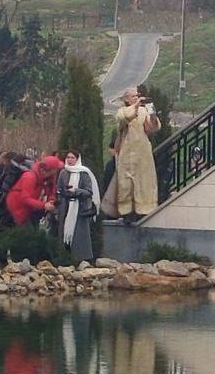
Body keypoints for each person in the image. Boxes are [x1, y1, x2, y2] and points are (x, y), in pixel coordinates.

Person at [104, 86, 160, 222]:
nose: (137, 97)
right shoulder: (122, 111)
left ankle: (144, 210)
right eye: (133, 96)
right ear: (127, 99)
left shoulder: (143, 111)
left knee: (144, 181)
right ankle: (127, 212)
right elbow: (125, 117)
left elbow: (153, 128)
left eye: (137, 95)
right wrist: (136, 105)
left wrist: (152, 113)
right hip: (127, 153)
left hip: (143, 153)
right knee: (126, 183)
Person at [57, 150, 100, 262]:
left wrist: (77, 191)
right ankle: (65, 257)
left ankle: (81, 259)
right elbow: (58, 189)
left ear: (77, 159)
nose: (70, 160)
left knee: (79, 235)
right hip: (66, 207)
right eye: (68, 157)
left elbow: (89, 192)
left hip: (79, 208)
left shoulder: (84, 173)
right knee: (64, 233)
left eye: (72, 158)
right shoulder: (63, 172)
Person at [7, 155, 62, 226]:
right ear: (48, 170)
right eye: (56, 169)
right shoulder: (29, 177)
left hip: (31, 210)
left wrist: (51, 200)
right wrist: (44, 205)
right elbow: (25, 198)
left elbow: (52, 192)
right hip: (18, 208)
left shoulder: (49, 178)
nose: (57, 171)